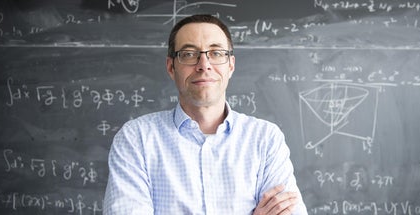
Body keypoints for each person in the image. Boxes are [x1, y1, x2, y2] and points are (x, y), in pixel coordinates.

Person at [103, 14, 308, 215]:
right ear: (171, 67)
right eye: (189, 54)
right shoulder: (136, 139)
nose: (204, 65)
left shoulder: (265, 139)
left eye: (216, 53)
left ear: (231, 65)